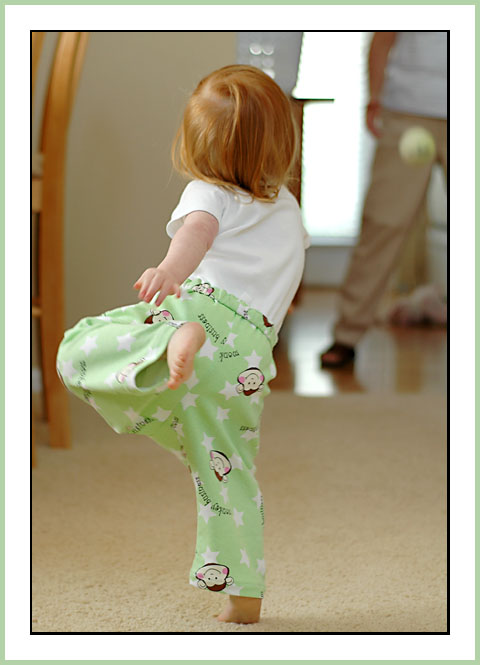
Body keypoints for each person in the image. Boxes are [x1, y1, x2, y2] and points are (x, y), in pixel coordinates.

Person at [56, 65, 309, 625]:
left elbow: (197, 231)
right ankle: (243, 593)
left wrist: (170, 271)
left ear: (195, 143)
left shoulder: (208, 192)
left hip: (199, 312)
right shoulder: (290, 211)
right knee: (226, 468)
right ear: (283, 142)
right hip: (249, 355)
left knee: (77, 350)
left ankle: (170, 340)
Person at [321, 31, 447, 368]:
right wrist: (374, 97)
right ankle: (347, 333)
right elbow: (383, 37)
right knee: (383, 223)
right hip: (408, 112)